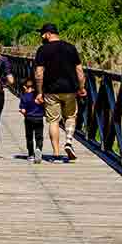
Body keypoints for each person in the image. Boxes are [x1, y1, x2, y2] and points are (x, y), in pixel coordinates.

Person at [34, 23, 87, 162]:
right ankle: (68, 141)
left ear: (48, 34)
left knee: (53, 121)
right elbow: (80, 71)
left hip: (51, 91)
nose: (41, 36)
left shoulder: (42, 50)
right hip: (70, 89)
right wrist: (81, 88)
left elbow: (39, 73)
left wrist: (39, 92)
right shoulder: (71, 48)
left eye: (42, 34)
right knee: (70, 116)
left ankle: (56, 154)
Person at [18, 78, 45, 163]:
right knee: (39, 136)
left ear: (24, 87)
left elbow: (23, 110)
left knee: (29, 137)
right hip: (39, 118)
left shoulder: (24, 96)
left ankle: (30, 154)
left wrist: (22, 111)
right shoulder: (39, 96)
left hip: (29, 118)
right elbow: (44, 106)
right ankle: (38, 148)